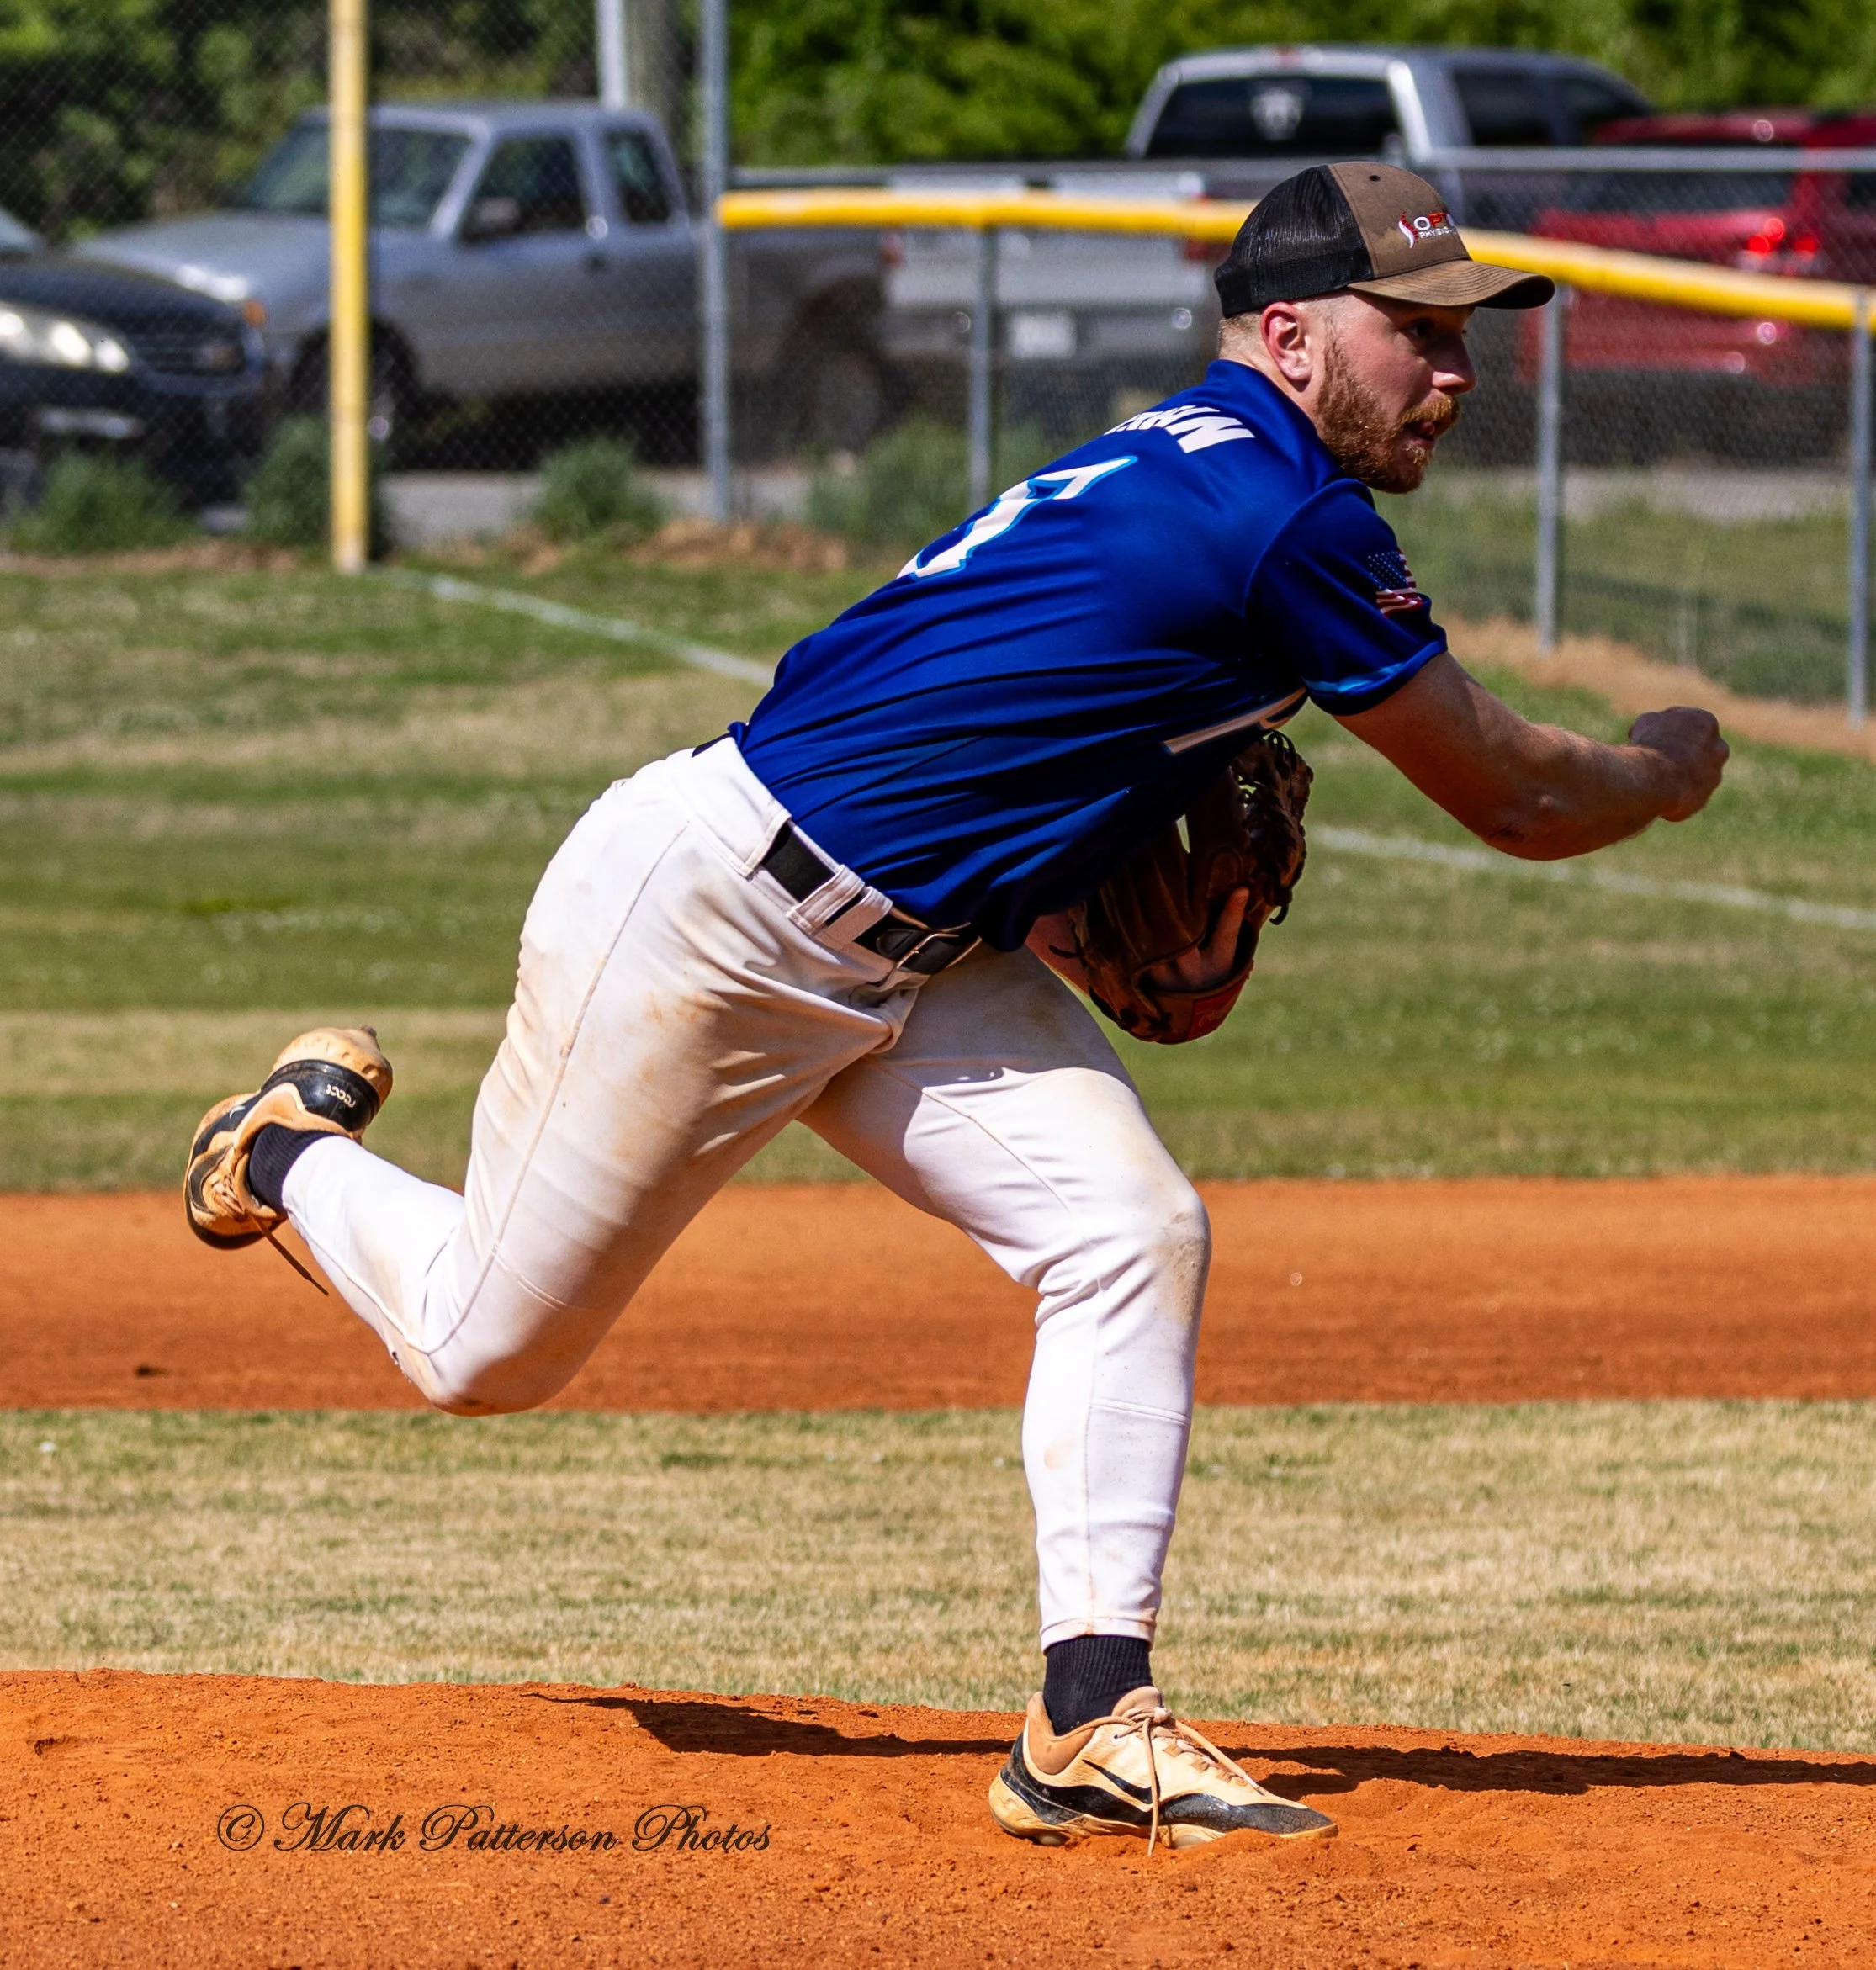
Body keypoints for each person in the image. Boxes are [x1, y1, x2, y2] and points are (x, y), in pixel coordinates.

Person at [185, 163, 1726, 1853]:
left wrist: (1059, 907)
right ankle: (284, 1157)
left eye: (1463, 334)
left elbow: (984, 724)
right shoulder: (1285, 518)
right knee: (483, 1352)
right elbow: (1509, 793)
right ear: (1287, 337)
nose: (1453, 368)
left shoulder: (1186, 463)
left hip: (915, 954)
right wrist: (1657, 768)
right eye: (1413, 330)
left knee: (1129, 1231)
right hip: (709, 920)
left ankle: (1086, 1717)